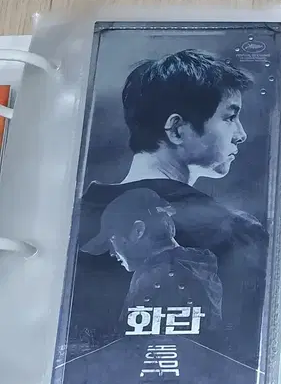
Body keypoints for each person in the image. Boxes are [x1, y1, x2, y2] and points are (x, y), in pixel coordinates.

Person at [70, 49, 266, 361]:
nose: (241, 134)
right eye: (230, 117)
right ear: (177, 130)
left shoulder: (69, 221)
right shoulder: (237, 232)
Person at [80, 188, 222, 322]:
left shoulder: (154, 276)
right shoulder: (198, 267)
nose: (111, 253)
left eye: (112, 240)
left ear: (138, 230)